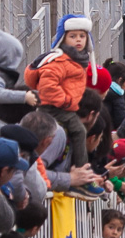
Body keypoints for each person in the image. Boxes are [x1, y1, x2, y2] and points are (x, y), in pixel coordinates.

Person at [24, 14, 95, 168]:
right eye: (73, 36)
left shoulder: (75, 60)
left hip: (62, 105)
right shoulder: (60, 60)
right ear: (63, 38)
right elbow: (48, 85)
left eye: (82, 36)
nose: (78, 40)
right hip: (53, 106)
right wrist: (65, 101)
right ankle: (81, 169)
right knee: (79, 130)